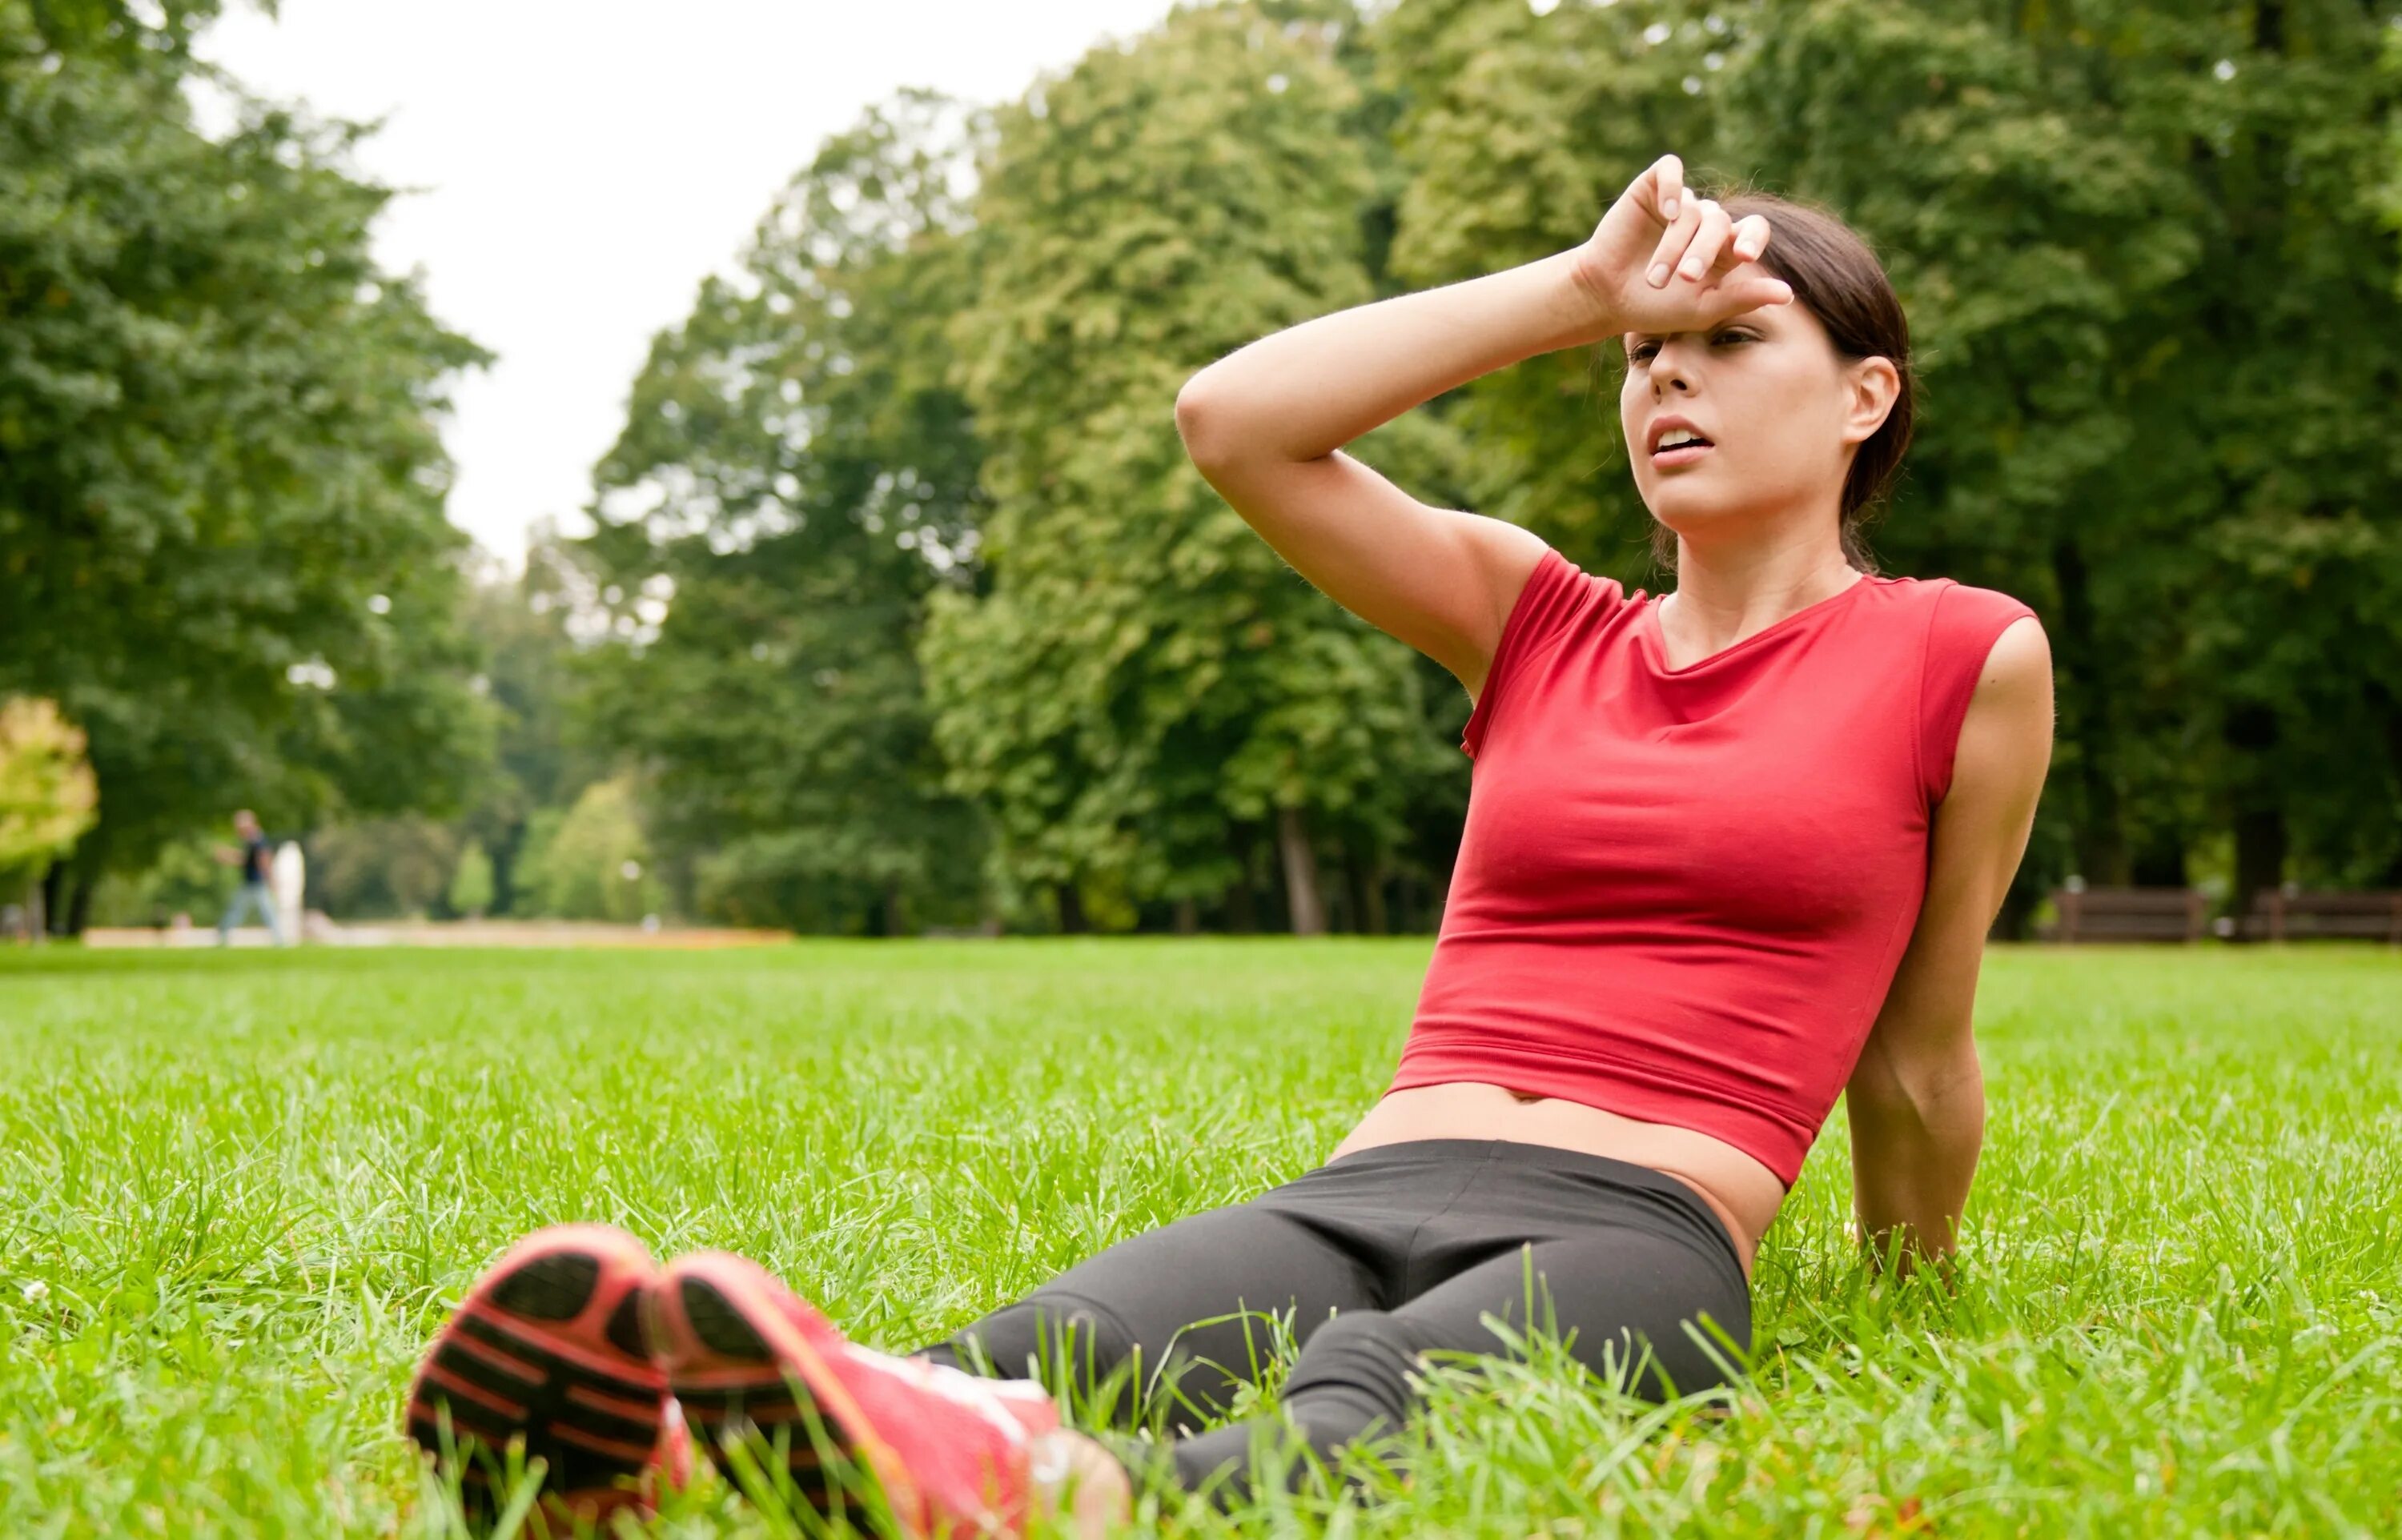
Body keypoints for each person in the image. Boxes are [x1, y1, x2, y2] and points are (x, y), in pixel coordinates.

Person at [401, 153, 2055, 1536]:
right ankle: (656, 1468)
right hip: (1371, 1178)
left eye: (1726, 336)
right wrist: (1577, 290)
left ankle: (1067, 1500)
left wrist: (1904, 1296)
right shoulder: (1536, 617)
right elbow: (1235, 420)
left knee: (1369, 1402)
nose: (1666, 374)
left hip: (1644, 1222)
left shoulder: (1962, 655)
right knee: (1038, 1347)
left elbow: (1918, 1051)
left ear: (1866, 392)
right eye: (1644, 354)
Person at [212, 808, 287, 947]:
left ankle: (279, 940)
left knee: (266, 912)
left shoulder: (257, 839)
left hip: (257, 883)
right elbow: (246, 860)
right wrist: (227, 855)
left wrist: (271, 879)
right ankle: (222, 935)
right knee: (238, 911)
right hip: (250, 883)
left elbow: (264, 860)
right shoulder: (251, 840)